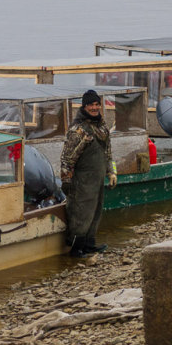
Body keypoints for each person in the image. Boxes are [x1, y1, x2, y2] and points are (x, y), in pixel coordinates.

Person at [60, 90, 116, 258]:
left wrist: (111, 172)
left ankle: (89, 245)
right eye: (91, 104)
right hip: (81, 181)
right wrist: (67, 183)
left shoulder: (102, 127)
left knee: (96, 211)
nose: (94, 107)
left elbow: (108, 153)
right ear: (84, 106)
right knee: (81, 214)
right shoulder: (78, 130)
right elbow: (66, 160)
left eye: (97, 104)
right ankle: (76, 250)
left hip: (97, 179)